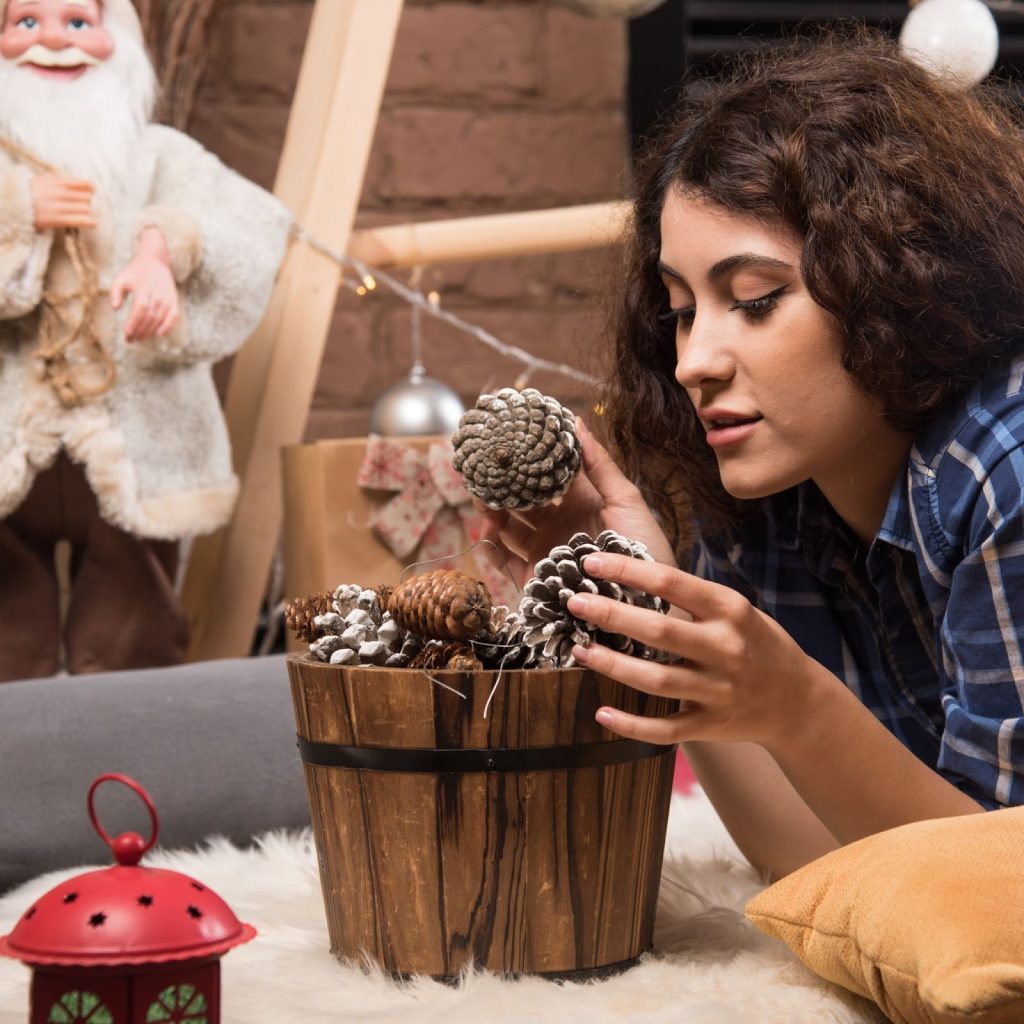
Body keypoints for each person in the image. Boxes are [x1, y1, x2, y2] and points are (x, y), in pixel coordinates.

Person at [482, 26, 1024, 879]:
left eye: (756, 300)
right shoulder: (762, 497)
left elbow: (999, 909)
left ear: (895, 278)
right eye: (682, 310)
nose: (694, 362)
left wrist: (799, 707)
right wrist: (667, 613)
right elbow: (818, 868)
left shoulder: (1006, 465)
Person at [0, 0, 291, 680]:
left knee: (134, 623)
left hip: (136, 436)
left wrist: (162, 251)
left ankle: (130, 755)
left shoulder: (157, 153)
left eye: (77, 22)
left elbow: (240, 221)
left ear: (117, 37)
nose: (52, 41)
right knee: (7, 630)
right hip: (14, 439)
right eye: (24, 23)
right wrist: (17, 212)